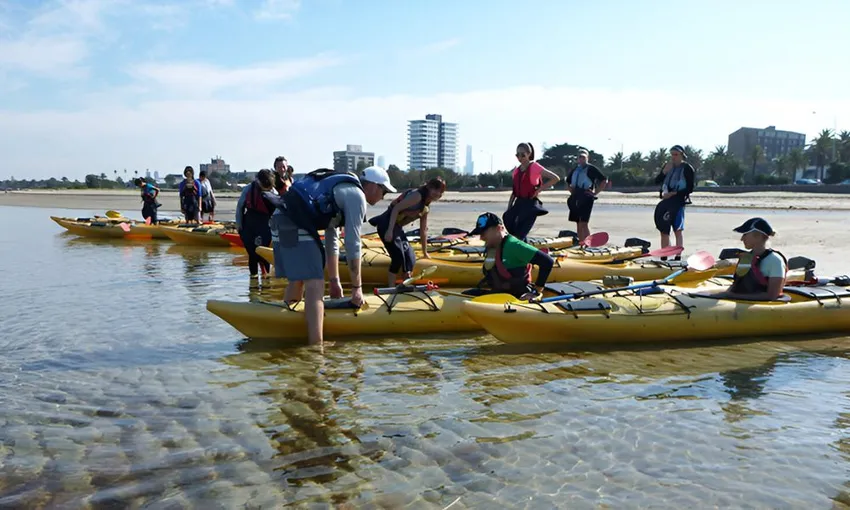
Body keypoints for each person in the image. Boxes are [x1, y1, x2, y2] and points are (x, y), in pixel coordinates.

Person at [271, 165, 396, 346]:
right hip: (294, 221)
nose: (383, 196)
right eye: (383, 191)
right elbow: (353, 245)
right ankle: (316, 347)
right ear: (373, 186)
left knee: (298, 279)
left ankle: (286, 326)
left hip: (279, 218)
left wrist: (335, 280)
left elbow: (332, 238)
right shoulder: (356, 196)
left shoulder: (342, 187)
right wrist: (357, 289)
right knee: (315, 283)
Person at [368, 176, 447, 287]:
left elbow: (423, 230)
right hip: (386, 224)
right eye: (435, 189)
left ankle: (405, 283)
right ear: (428, 187)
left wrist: (425, 252)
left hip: (396, 227)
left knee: (410, 257)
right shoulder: (417, 196)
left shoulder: (425, 207)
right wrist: (390, 231)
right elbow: (396, 209)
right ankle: (391, 287)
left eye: (440, 191)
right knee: (398, 257)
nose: (437, 193)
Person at [462, 212, 555, 301]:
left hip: (516, 298)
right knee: (466, 294)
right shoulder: (492, 247)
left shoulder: (513, 245)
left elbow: (547, 261)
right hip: (501, 295)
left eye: (484, 233)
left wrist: (536, 291)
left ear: (498, 228)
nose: (482, 237)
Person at [716, 217, 787, 300]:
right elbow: (737, 284)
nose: (742, 239)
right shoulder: (746, 258)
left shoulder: (775, 260)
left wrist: (731, 296)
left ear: (758, 236)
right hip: (741, 303)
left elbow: (772, 296)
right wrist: (726, 294)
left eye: (745, 234)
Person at [503, 142, 560, 241]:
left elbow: (555, 178)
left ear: (529, 154)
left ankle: (523, 249)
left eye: (522, 154)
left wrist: (539, 189)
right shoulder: (516, 171)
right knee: (508, 220)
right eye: (517, 155)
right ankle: (522, 248)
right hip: (519, 203)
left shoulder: (534, 167)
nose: (520, 157)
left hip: (530, 205)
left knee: (521, 234)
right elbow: (514, 192)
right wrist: (509, 208)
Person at [236, 169, 279, 277]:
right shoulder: (249, 189)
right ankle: (253, 280)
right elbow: (240, 207)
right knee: (252, 254)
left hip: (265, 224)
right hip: (250, 224)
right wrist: (239, 224)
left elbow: (278, 213)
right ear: (258, 181)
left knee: (264, 254)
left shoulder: (273, 192)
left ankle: (266, 279)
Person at [653, 145, 695, 250]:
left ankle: (678, 256)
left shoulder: (687, 168)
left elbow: (690, 188)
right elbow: (657, 181)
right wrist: (664, 172)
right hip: (666, 201)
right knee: (664, 230)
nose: (673, 157)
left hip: (679, 202)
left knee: (678, 229)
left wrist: (674, 193)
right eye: (672, 155)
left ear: (682, 155)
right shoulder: (668, 166)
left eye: (676, 155)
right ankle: (665, 253)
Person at [566, 148, 608, 242]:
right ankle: (581, 243)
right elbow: (568, 182)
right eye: (580, 157)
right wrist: (571, 191)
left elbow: (603, 180)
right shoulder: (575, 169)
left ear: (587, 158)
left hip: (586, 197)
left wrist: (595, 193)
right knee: (578, 223)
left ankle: (588, 244)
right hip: (575, 197)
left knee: (583, 223)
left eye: (583, 157)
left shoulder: (591, 169)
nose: (581, 159)